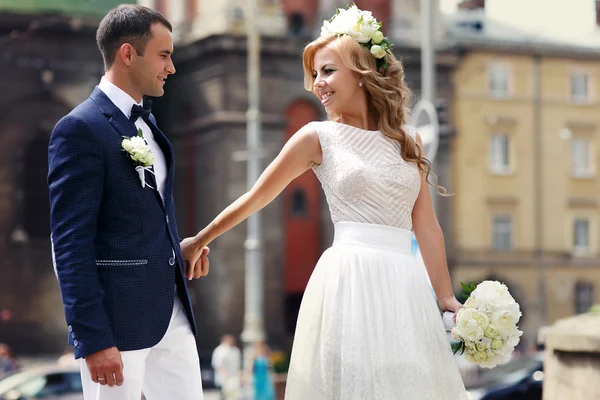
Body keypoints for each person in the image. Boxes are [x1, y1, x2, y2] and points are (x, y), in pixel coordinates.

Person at [181, 5, 467, 399]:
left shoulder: (409, 140)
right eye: (314, 74)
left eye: (328, 71)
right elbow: (255, 197)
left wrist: (446, 296)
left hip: (405, 283)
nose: (318, 83)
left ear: (364, 73)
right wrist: (199, 239)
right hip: (349, 279)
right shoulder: (316, 137)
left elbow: (427, 226)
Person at [47, 5, 209, 400]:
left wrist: (179, 247)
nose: (171, 67)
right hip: (116, 326)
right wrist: (92, 338)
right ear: (127, 53)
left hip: (172, 314)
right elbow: (69, 244)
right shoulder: (78, 129)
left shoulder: (149, 125)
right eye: (164, 55)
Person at [211, 334, 242, 400]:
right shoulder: (219, 350)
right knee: (224, 395)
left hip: (233, 377)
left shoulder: (235, 350)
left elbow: (237, 364)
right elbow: (217, 364)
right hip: (224, 378)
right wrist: (225, 375)